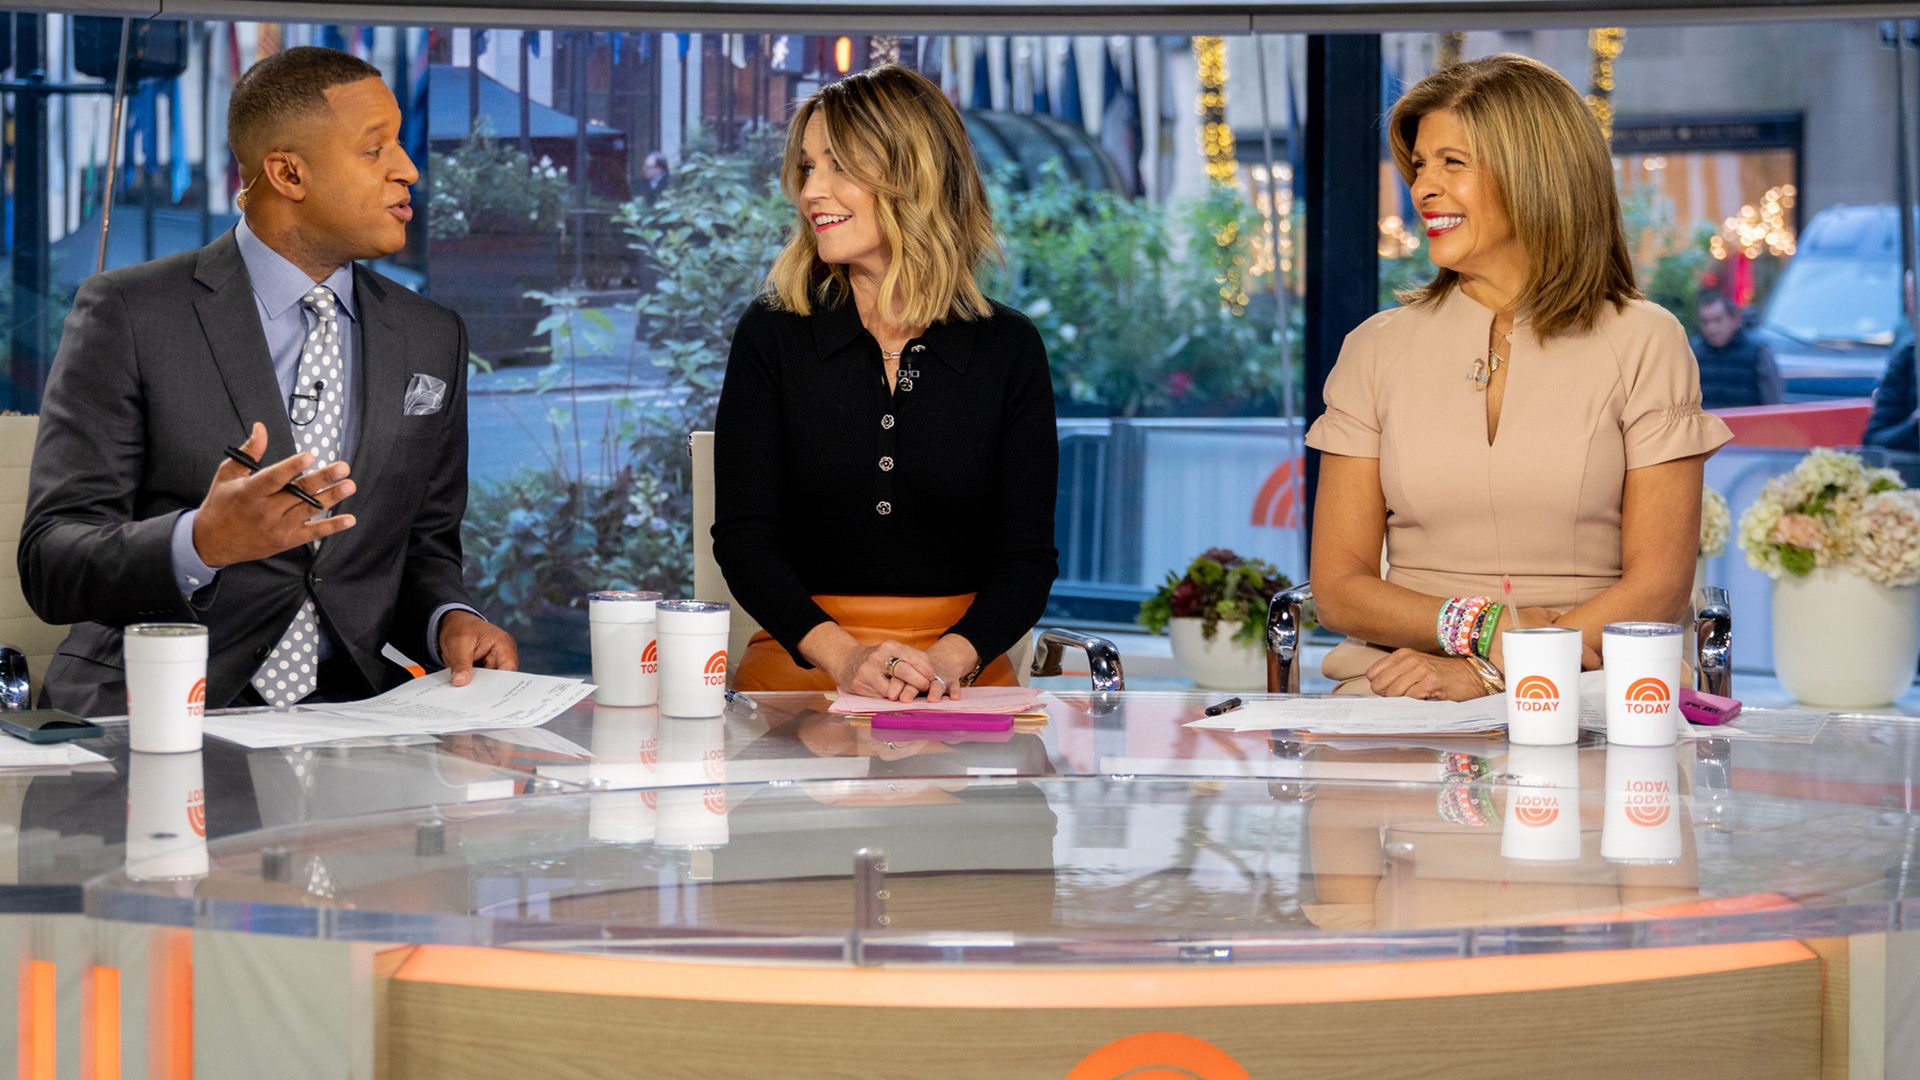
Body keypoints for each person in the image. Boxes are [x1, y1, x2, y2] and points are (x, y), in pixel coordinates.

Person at [21, 47, 517, 717]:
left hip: (354, 717)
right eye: (376, 150)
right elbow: (51, 561)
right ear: (288, 172)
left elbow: (425, 547)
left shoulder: (431, 334)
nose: (408, 169)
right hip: (156, 707)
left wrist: (449, 621)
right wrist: (198, 542)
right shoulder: (129, 312)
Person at [1305, 54, 1732, 700]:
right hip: (1402, 688)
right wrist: (1481, 627)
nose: (1422, 188)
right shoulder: (1373, 350)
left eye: (1453, 163)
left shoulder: (1647, 341)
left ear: (1536, 173)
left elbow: (1657, 587)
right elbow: (1340, 587)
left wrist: (1488, 670)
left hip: (1594, 690)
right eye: (1420, 165)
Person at [713, 64, 1058, 703]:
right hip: (803, 674)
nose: (812, 190)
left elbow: (1027, 563)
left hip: (958, 680)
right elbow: (744, 539)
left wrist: (944, 662)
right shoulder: (772, 333)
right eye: (808, 167)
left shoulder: (1009, 348)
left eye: (838, 165)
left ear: (913, 176)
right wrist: (846, 658)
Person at [1690, 290, 1783, 409]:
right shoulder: (1694, 354)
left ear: (1734, 319)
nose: (1711, 328)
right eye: (1705, 322)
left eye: (1718, 320)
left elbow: (1773, 403)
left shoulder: (1758, 353)